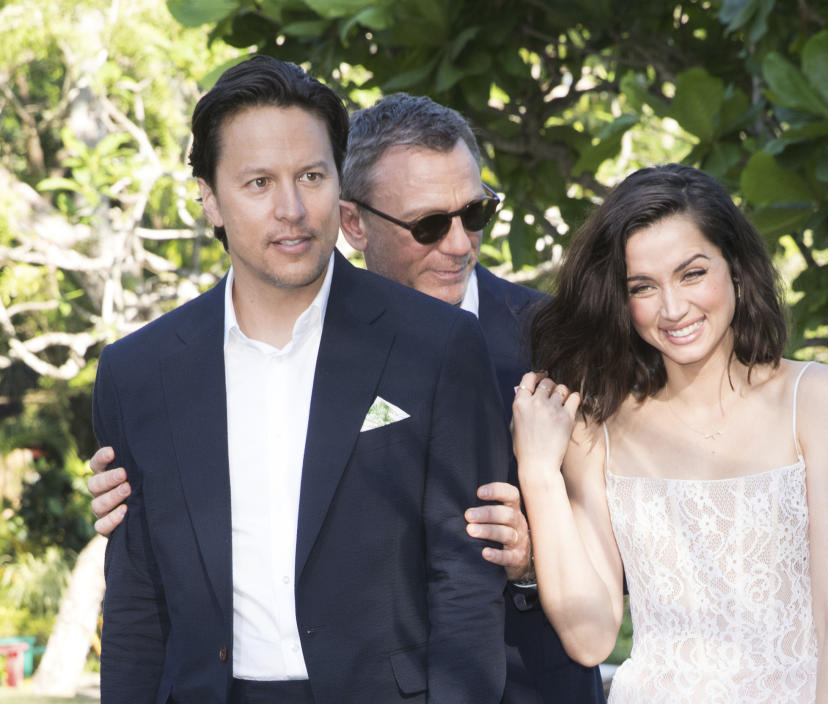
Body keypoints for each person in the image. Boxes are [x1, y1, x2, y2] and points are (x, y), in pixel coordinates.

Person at [90, 91, 604, 704]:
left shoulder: (522, 340)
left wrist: (530, 554)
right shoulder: (144, 369)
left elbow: (604, 542)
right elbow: (140, 597)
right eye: (429, 224)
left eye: (475, 213)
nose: (461, 243)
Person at [511, 164, 828, 703]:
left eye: (692, 273)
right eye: (644, 287)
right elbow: (590, 638)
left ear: (735, 267)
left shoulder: (818, 398)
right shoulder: (599, 426)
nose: (674, 308)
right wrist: (538, 470)